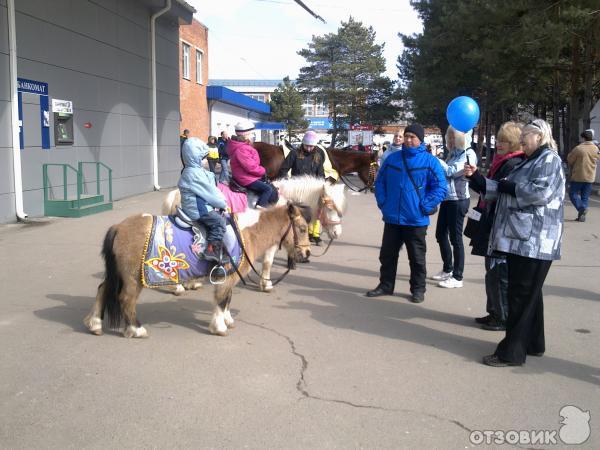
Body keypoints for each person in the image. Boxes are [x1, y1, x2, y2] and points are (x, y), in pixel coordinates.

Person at [464, 119, 565, 367]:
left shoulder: (549, 159)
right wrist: (478, 180)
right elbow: (505, 188)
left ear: (539, 136)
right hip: (526, 239)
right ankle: (533, 343)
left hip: (534, 240)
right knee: (530, 294)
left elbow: (539, 193)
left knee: (519, 296)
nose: (522, 141)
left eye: (526, 137)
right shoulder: (534, 159)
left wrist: (508, 186)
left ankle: (511, 352)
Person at [366, 123, 447, 303]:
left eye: (413, 137)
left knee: (417, 258)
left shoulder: (430, 161)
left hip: (416, 220)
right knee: (387, 255)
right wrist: (383, 203)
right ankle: (386, 285)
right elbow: (380, 183)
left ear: (420, 140)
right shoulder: (392, 159)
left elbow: (441, 188)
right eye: (407, 136)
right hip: (392, 217)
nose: (409, 140)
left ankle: (418, 289)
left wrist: (425, 206)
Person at [464, 122, 526, 331]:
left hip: (501, 225)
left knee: (498, 271)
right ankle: (494, 312)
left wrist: (476, 178)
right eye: (499, 140)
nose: (499, 144)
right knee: (492, 271)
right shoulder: (502, 161)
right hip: (494, 221)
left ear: (515, 143)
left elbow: (496, 191)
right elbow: (488, 189)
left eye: (505, 141)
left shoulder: (513, 163)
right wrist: (475, 178)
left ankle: (501, 316)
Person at [431, 126, 478, 289]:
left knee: (455, 239)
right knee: (440, 235)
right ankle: (447, 269)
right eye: (449, 138)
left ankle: (458, 276)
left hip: (458, 201)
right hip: (447, 199)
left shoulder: (469, 154)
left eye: (454, 138)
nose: (450, 141)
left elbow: (451, 171)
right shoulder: (453, 154)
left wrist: (436, 160)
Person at [178, 137, 228, 262]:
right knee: (219, 223)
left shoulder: (192, 171)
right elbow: (210, 193)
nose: (206, 161)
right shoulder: (195, 174)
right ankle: (212, 251)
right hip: (198, 210)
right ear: (196, 158)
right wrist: (223, 203)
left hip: (192, 207)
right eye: (204, 158)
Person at [278, 130, 326, 245]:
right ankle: (297, 234)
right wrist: (287, 183)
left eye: (311, 146)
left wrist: (322, 185)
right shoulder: (294, 154)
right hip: (297, 190)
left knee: (316, 211)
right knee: (298, 214)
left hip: (312, 191)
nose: (309, 149)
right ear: (303, 144)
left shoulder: (318, 156)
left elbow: (321, 174)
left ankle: (315, 235)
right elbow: (283, 170)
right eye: (307, 146)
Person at [227, 120, 278, 208]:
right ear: (245, 135)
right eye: (251, 134)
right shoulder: (242, 149)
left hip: (246, 176)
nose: (253, 136)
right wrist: (263, 170)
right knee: (268, 189)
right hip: (245, 178)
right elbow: (250, 167)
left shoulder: (242, 146)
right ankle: (260, 206)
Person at [567, 128, 599, 222]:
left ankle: (581, 209)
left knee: (573, 194)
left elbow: (570, 160)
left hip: (578, 176)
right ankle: (581, 216)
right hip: (590, 176)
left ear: (583, 138)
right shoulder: (595, 148)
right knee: (585, 197)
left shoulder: (578, 148)